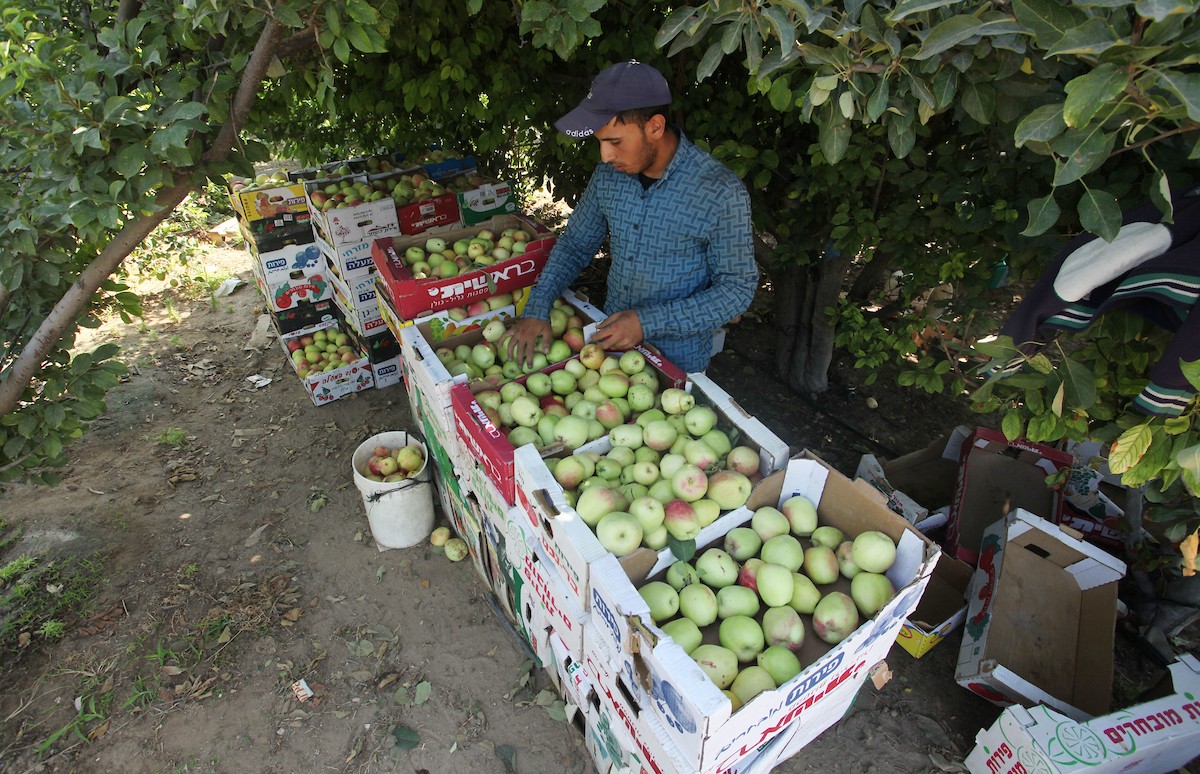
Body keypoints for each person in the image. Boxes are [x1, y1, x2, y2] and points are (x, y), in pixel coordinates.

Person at [506, 60, 758, 373]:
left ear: (655, 127)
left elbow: (736, 289)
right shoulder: (608, 176)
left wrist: (646, 322)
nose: (605, 155)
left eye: (615, 142)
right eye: (600, 141)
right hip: (609, 349)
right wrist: (538, 305)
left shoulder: (719, 191)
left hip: (678, 361)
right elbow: (575, 245)